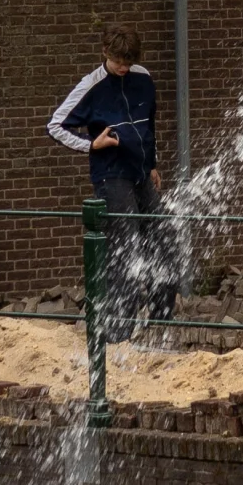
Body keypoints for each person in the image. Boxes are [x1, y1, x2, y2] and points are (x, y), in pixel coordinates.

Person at [49, 30, 165, 332]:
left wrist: (152, 163)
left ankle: (161, 324)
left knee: (162, 238)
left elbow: (149, 123)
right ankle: (118, 332)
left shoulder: (143, 77)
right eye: (118, 62)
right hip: (111, 175)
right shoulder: (91, 85)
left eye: (128, 62)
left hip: (141, 171)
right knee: (125, 246)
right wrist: (91, 144)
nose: (123, 67)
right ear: (105, 52)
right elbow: (55, 125)